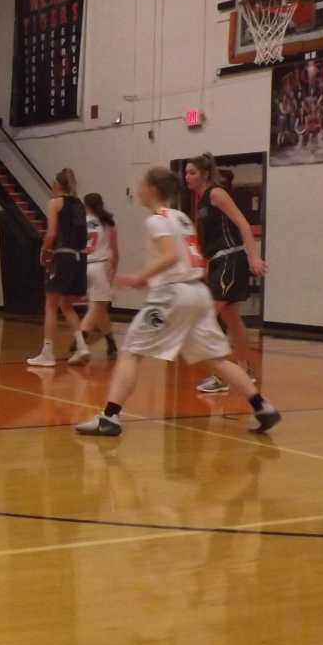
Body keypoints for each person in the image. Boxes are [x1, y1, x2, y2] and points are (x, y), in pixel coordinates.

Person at [74, 167, 279, 437]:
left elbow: (170, 256)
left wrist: (139, 278)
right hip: (197, 293)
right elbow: (189, 258)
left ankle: (109, 417)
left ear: (152, 189)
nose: (138, 190)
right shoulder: (182, 218)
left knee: (131, 351)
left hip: (172, 296)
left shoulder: (156, 220)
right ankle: (262, 407)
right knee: (217, 359)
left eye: (141, 185)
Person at [188, 154, 269, 394]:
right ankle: (245, 371)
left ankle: (222, 375)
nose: (187, 177)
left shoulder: (216, 193)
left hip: (230, 259)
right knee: (232, 319)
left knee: (207, 318)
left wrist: (253, 256)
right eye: (186, 172)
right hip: (218, 262)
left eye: (192, 172)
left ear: (204, 174)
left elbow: (243, 223)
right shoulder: (201, 201)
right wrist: (204, 266)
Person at [28, 168, 90, 367]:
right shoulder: (79, 204)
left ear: (56, 184)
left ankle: (47, 353)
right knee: (66, 304)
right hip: (80, 257)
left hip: (63, 256)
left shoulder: (55, 202)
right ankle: (82, 346)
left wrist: (44, 250)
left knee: (50, 304)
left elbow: (52, 233)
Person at [80, 192, 121, 358]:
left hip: (84, 266)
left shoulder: (80, 222)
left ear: (85, 206)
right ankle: (79, 342)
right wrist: (113, 271)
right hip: (100, 266)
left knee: (100, 309)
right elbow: (115, 253)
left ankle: (111, 344)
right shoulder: (108, 223)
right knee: (96, 307)